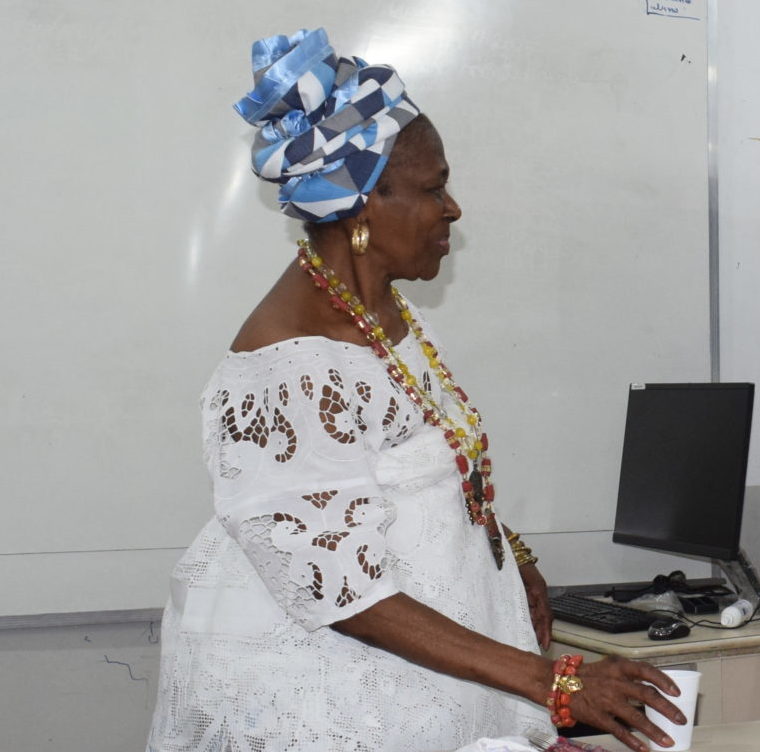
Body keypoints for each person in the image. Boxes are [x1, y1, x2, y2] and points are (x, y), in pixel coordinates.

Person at [147, 28, 684, 752]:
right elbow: (345, 594)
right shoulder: (293, 367)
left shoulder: (378, 315)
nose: (453, 210)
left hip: (422, 691)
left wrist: (508, 555)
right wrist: (550, 679)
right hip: (336, 707)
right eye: (433, 190)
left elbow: (423, 467)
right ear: (362, 206)